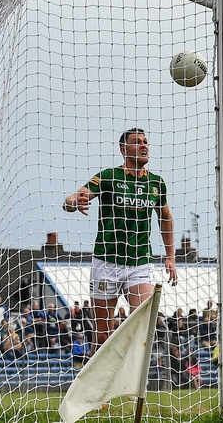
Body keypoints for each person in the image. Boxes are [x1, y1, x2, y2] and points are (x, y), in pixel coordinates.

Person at [63, 127, 177, 353]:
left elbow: (166, 218)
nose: (144, 145)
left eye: (146, 141)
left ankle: (131, 384)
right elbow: (71, 199)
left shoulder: (156, 183)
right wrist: (76, 202)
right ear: (123, 150)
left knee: (144, 324)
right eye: (137, 142)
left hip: (140, 262)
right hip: (106, 262)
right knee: (103, 334)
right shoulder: (108, 177)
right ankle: (99, 385)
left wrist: (170, 257)